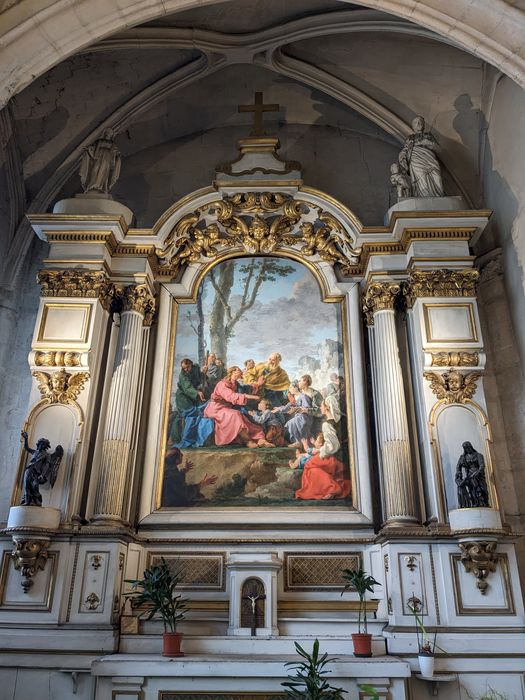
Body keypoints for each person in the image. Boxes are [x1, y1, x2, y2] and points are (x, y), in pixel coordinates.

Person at [204, 366, 274, 448]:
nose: (241, 372)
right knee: (235, 415)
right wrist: (249, 396)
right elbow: (231, 396)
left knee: (246, 420)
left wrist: (258, 384)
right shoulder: (222, 384)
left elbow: (246, 388)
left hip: (226, 408)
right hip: (216, 409)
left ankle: (260, 440)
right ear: (233, 372)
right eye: (239, 370)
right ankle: (248, 441)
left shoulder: (236, 384)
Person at [295, 402, 351, 501]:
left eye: (322, 405)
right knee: (312, 468)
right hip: (340, 456)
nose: (320, 407)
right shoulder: (340, 421)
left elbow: (333, 446)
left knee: (309, 467)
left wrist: (319, 451)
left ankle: (332, 488)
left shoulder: (327, 424)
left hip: (331, 457)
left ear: (327, 408)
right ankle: (331, 487)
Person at [398, 116, 444, 198]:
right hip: (417, 161)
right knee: (422, 178)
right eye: (416, 123)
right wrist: (402, 158)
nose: (418, 124)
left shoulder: (429, 135)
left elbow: (439, 150)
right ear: (413, 126)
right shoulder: (410, 138)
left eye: (420, 122)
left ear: (424, 125)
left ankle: (438, 195)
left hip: (430, 160)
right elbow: (405, 149)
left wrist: (427, 142)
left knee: (437, 177)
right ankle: (424, 196)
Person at [20, 431, 63, 506]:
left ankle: (37, 501)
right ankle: (27, 501)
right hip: (29, 470)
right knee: (26, 486)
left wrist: (42, 475)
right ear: (39, 444)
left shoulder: (47, 455)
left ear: (46, 447)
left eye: (44, 445)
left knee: (34, 487)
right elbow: (26, 448)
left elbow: (47, 466)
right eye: (41, 444)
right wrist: (26, 438)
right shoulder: (35, 452)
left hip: (36, 473)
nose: (42, 445)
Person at [170, 359, 205, 444]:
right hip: (183, 397)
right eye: (184, 368)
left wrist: (203, 372)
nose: (186, 370)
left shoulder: (196, 368)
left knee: (196, 413)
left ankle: (192, 437)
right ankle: (174, 439)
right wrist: (197, 392)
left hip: (192, 396)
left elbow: (200, 378)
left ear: (191, 364)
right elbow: (187, 387)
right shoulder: (183, 375)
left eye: (187, 367)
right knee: (181, 415)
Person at [79, 127, 121, 194]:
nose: (108, 134)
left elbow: (115, 152)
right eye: (107, 133)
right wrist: (89, 149)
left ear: (111, 135)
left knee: (104, 173)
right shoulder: (99, 141)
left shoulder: (112, 144)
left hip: (106, 160)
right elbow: (92, 149)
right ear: (104, 133)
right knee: (95, 171)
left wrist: (117, 155)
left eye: (110, 133)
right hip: (98, 159)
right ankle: (92, 186)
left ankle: (102, 187)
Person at [272, 383, 314, 447]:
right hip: (298, 417)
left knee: (292, 423)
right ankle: (296, 441)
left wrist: (296, 409)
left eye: (291, 387)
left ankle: (298, 442)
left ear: (296, 388)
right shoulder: (294, 398)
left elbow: (307, 408)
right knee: (288, 424)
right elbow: (286, 407)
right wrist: (278, 409)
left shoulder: (304, 396)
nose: (290, 389)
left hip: (305, 417)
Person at [455, 441, 489, 508]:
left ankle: (483, 502)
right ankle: (475, 502)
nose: (467, 449)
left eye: (468, 447)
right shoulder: (463, 457)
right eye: (465, 448)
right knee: (472, 490)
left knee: (482, 489)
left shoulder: (478, 455)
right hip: (470, 475)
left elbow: (482, 466)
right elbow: (458, 466)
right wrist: (459, 473)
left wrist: (478, 472)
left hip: (478, 475)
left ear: (471, 447)